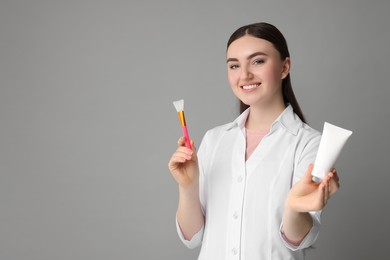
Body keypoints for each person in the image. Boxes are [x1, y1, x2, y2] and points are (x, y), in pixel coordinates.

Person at [168, 22, 340, 260]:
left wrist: (292, 206)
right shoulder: (214, 140)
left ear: (284, 67)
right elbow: (192, 238)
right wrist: (188, 186)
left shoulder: (309, 143)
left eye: (258, 61)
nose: (244, 75)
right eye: (234, 65)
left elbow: (297, 239)